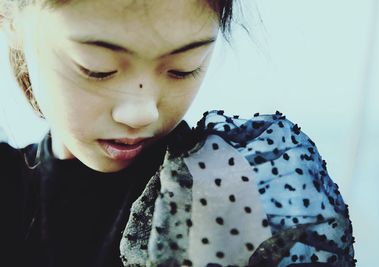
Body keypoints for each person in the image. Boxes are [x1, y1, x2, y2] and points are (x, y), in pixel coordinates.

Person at [0, 0, 356, 266]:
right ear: (11, 18)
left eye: (183, 69)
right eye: (98, 69)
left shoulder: (229, 193)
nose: (142, 112)